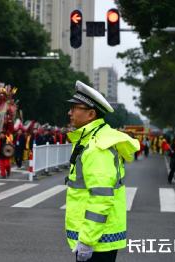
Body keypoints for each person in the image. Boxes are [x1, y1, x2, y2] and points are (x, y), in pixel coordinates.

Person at [65, 81, 139, 262]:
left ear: (91, 114)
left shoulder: (97, 146)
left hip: (96, 240)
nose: (69, 113)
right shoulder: (92, 138)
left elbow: (101, 197)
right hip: (98, 236)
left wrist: (87, 241)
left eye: (75, 108)